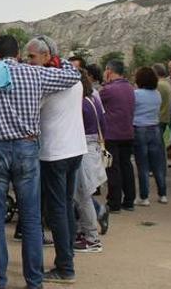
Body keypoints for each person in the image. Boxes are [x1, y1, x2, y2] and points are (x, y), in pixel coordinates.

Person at [0, 34, 80, 289]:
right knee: (31, 219)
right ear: (18, 52)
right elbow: (73, 75)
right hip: (27, 147)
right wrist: (55, 56)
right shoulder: (34, 74)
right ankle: (34, 281)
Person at [26, 36, 87, 284]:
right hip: (74, 149)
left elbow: (31, 109)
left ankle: (65, 266)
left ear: (45, 56)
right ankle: (67, 258)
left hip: (56, 152)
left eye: (31, 57)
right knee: (65, 205)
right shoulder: (70, 75)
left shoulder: (50, 81)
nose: (28, 62)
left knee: (57, 210)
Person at [74, 68, 108, 253]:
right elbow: (104, 125)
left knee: (82, 195)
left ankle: (92, 237)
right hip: (93, 147)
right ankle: (83, 231)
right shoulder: (92, 99)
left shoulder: (80, 103)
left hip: (85, 149)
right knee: (82, 195)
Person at [100, 60, 136, 212]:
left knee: (112, 167)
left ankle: (114, 201)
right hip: (127, 132)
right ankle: (129, 200)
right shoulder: (130, 88)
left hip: (112, 134)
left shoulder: (107, 90)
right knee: (126, 166)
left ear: (109, 71)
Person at [132, 66, 167, 205]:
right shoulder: (157, 94)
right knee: (157, 163)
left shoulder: (136, 94)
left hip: (139, 127)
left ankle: (144, 196)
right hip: (155, 128)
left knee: (143, 165)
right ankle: (162, 194)